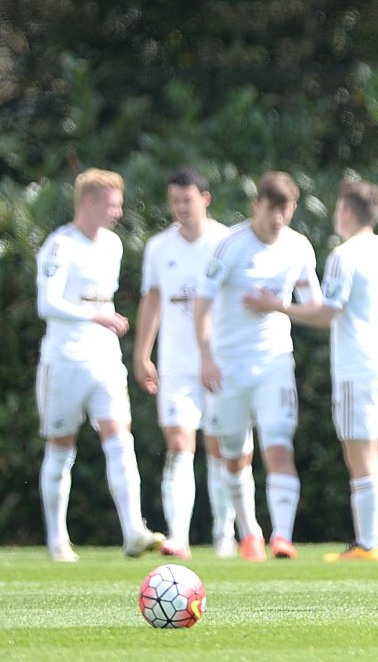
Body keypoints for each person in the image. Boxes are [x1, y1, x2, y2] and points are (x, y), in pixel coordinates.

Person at [282, 180, 378, 562]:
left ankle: (367, 544)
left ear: (346, 212)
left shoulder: (345, 254)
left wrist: (278, 307)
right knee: (373, 452)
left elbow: (327, 313)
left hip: (356, 366)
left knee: (359, 454)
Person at [36, 168, 166, 562]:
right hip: (64, 362)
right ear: (89, 202)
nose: (118, 212)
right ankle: (58, 541)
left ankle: (133, 532)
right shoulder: (59, 246)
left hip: (104, 359)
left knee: (120, 437)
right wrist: (96, 317)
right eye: (112, 204)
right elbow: (47, 304)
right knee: (61, 445)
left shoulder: (112, 245)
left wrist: (105, 322)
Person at [194, 171, 322, 562]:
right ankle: (250, 533)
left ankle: (282, 537)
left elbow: (316, 310)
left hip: (274, 361)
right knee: (234, 453)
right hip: (229, 365)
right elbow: (201, 305)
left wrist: (277, 306)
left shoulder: (299, 247)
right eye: (271, 211)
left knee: (279, 445)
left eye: (285, 211)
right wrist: (207, 358)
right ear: (257, 206)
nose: (278, 220)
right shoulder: (229, 245)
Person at [133, 168, 248, 559]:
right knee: (181, 445)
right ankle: (178, 537)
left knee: (219, 448)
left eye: (188, 199)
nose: (181, 208)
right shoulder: (158, 247)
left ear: (206, 198)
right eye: (175, 201)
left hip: (219, 364)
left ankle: (223, 535)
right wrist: (142, 353)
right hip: (177, 366)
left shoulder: (227, 242)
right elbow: (151, 300)